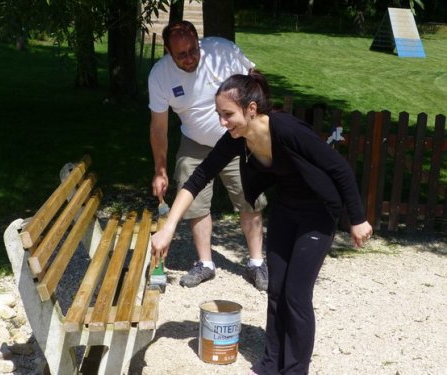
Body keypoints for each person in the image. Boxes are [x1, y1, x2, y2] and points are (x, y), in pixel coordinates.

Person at [151, 71, 373, 375]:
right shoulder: (236, 139)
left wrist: (358, 219)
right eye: (219, 114)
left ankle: (295, 370)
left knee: (296, 294)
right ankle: (271, 365)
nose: (222, 122)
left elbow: (339, 168)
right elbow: (198, 178)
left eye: (227, 114)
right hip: (286, 209)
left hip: (318, 213)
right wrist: (168, 227)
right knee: (277, 290)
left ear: (251, 109)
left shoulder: (286, 129)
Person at [148, 20, 268, 290]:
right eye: (182, 54)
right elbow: (158, 126)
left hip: (237, 139)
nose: (191, 58)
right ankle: (205, 263)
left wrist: (256, 128)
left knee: (249, 197)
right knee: (195, 203)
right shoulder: (160, 76)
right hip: (195, 142)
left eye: (193, 50)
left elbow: (255, 81)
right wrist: (160, 169)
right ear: (167, 50)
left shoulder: (221, 52)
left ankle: (258, 263)